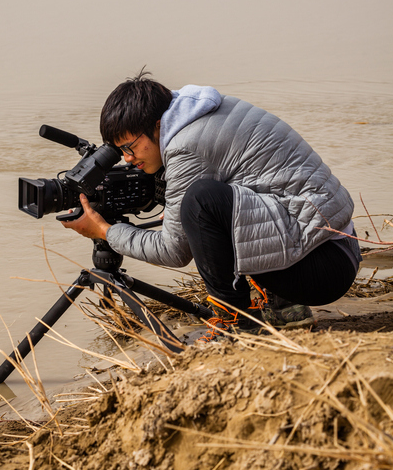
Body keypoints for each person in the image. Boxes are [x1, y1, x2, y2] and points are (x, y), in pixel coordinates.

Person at [61, 71, 361, 339]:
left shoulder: (185, 145)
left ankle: (238, 322)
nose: (127, 158)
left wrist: (105, 231)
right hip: (337, 249)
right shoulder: (198, 111)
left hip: (322, 269)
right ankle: (287, 313)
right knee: (209, 204)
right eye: (120, 150)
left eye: (131, 146)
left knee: (201, 200)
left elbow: (173, 251)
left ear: (155, 125)